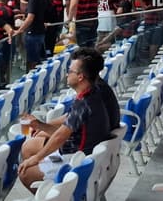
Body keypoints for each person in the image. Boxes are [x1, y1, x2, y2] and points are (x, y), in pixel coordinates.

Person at [17, 48, 111, 187]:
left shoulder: (84, 103)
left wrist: (37, 158)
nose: (67, 74)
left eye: (70, 71)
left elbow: (60, 136)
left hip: (78, 160)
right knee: (31, 147)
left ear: (80, 77)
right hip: (80, 151)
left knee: (25, 172)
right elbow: (66, 129)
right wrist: (40, 125)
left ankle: (56, 194)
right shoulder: (92, 93)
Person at [17, 0, 47, 70]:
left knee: (32, 61)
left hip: (33, 33)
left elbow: (30, 18)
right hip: (40, 31)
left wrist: (20, 30)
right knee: (37, 59)